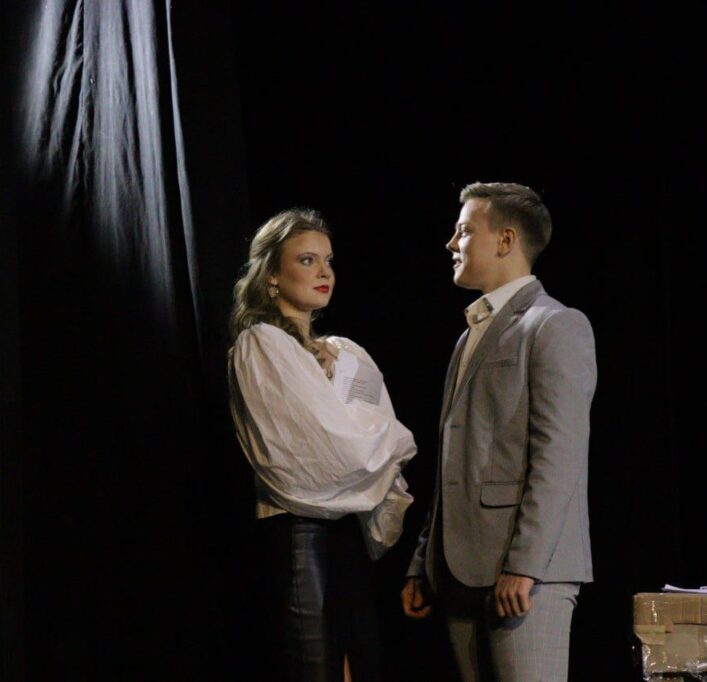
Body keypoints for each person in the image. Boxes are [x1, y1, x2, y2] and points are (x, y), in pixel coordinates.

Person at [401, 182, 597, 681]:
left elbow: (559, 455)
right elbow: (454, 460)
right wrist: (424, 559)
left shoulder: (554, 324)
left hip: (527, 573)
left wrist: (525, 564)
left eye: (465, 231)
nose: (451, 243)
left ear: (506, 240)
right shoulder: (469, 335)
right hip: (458, 570)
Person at [228, 208, 417, 681]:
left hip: (347, 528)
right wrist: (381, 440)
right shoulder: (261, 343)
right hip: (298, 529)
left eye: (328, 260)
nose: (324, 272)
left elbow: (370, 441)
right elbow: (322, 453)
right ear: (272, 275)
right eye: (307, 260)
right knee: (314, 665)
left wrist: (369, 435)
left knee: (359, 658)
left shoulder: (346, 352)